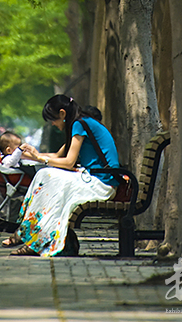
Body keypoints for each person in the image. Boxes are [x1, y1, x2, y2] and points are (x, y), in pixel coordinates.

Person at [10, 94, 120, 257]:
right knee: (46, 176)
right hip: (97, 178)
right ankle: (33, 234)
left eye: (53, 119)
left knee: (47, 176)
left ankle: (33, 236)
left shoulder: (79, 124)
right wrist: (33, 155)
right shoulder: (81, 122)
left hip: (101, 183)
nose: (53, 124)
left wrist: (40, 159)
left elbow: (68, 162)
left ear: (62, 113)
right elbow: (58, 156)